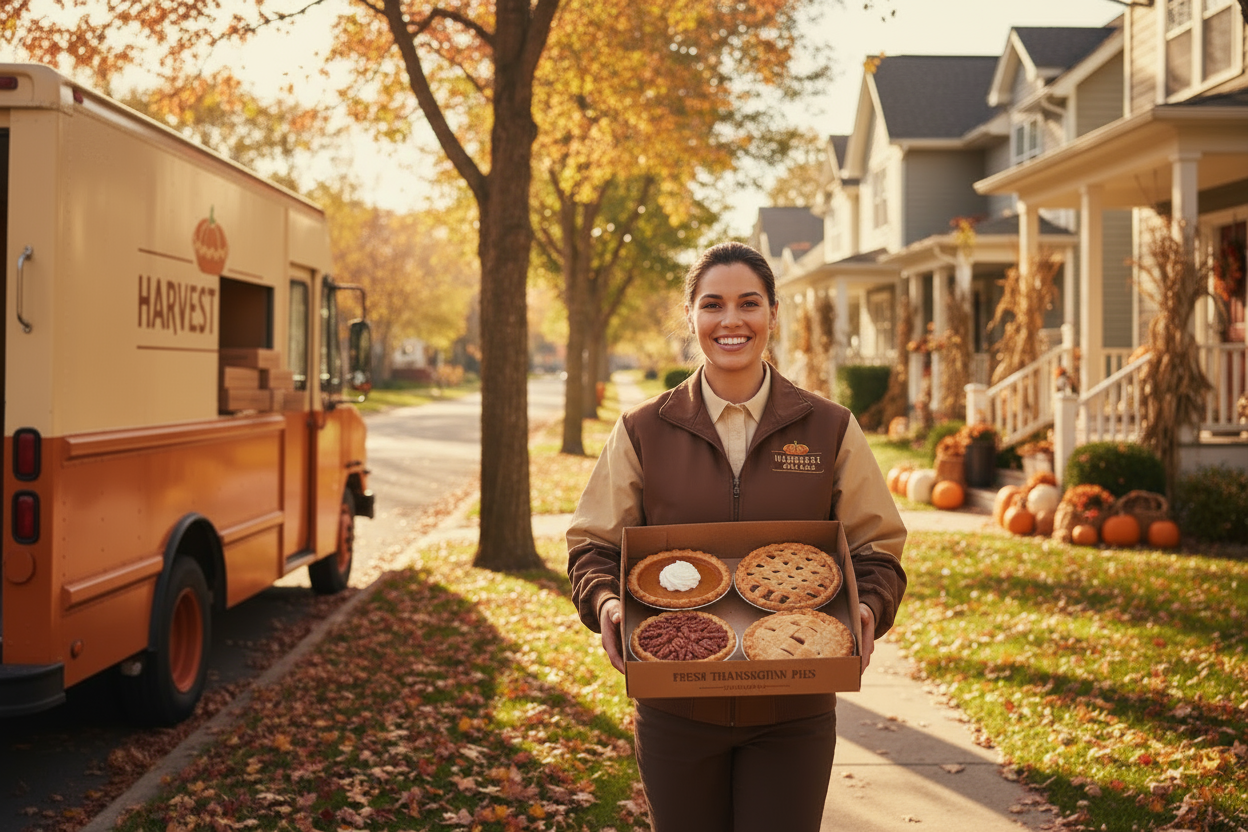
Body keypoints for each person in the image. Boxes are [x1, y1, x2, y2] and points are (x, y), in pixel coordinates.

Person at [566, 241, 908, 832]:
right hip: (675, 708)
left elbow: (874, 546)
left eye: (749, 303)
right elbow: (593, 544)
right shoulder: (644, 429)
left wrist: (871, 606)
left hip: (794, 711)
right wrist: (609, 602)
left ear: (774, 313)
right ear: (692, 317)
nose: (731, 321)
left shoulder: (829, 427)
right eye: (712, 305)